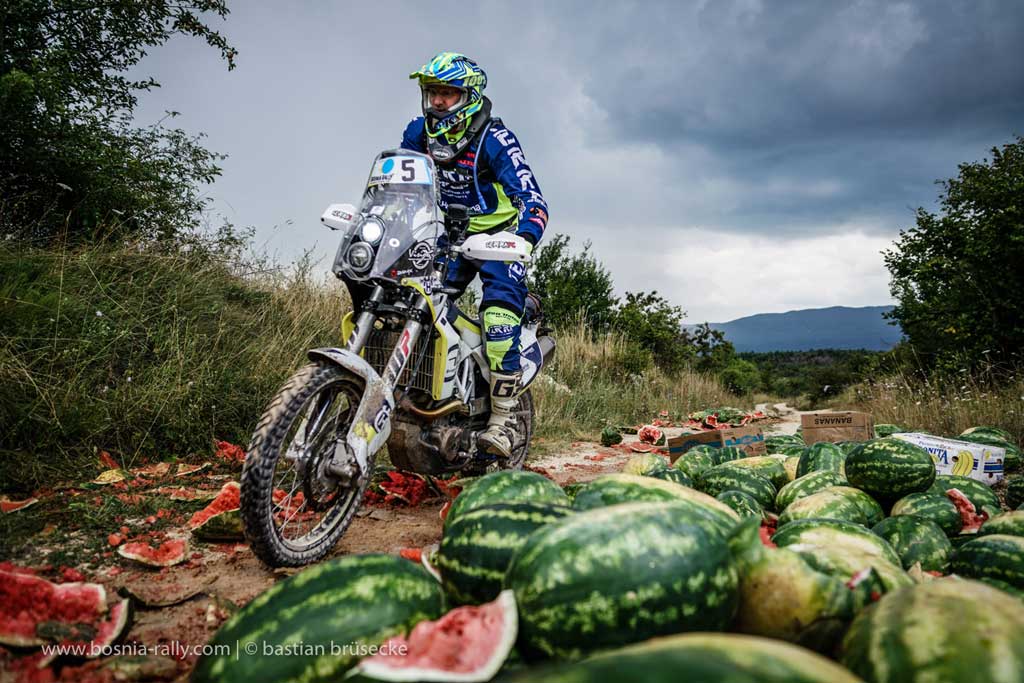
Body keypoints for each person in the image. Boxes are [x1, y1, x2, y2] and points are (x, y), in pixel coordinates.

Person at [402, 51, 548, 458]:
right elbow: (403, 184)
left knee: (499, 321)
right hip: (449, 235)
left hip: (498, 240)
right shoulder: (418, 132)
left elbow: (533, 201)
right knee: (415, 303)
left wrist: (523, 239)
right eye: (432, 92)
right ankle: (434, 393)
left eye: (448, 93)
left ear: (469, 97)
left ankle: (503, 421)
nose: (437, 101)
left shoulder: (495, 140)